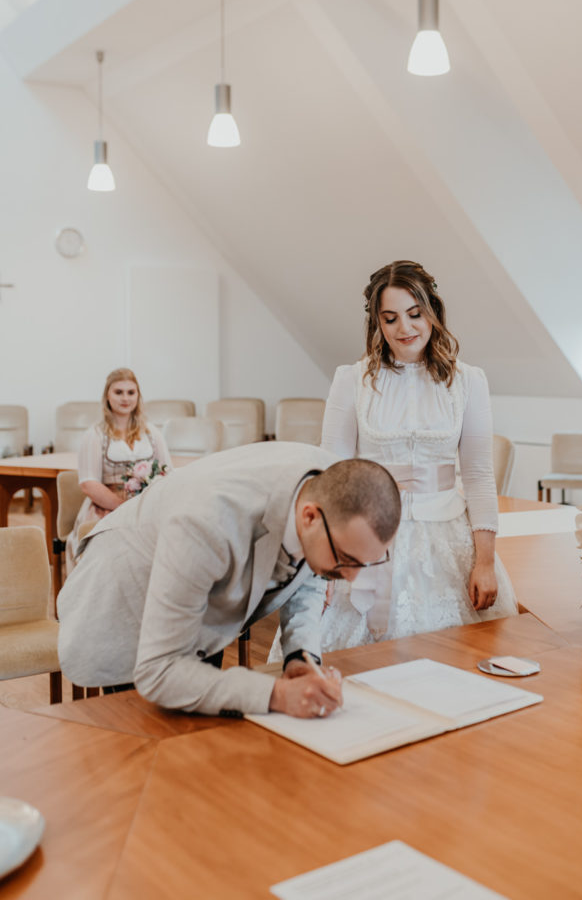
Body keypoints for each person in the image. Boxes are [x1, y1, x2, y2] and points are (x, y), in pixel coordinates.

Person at [57, 443, 401, 718]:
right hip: (127, 600)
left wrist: (300, 659)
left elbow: (308, 570)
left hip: (207, 600)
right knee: (143, 753)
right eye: (346, 559)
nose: (351, 576)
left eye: (364, 563)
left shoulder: (330, 489)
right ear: (309, 516)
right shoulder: (208, 521)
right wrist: (277, 694)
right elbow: (159, 672)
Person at [305, 259, 516, 651]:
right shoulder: (352, 380)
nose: (404, 328)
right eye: (390, 319)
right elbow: (328, 476)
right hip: (369, 537)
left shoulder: (469, 381)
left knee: (458, 660)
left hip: (448, 538)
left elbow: (478, 474)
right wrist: (324, 567)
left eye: (415, 314)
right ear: (377, 324)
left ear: (432, 311)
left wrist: (485, 562)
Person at [65, 368, 172, 572]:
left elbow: (168, 473)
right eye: (119, 392)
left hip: (148, 505)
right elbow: (89, 484)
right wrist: (124, 507)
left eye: (131, 392)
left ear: (138, 396)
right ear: (107, 395)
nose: (125, 398)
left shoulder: (152, 433)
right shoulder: (95, 435)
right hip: (106, 506)